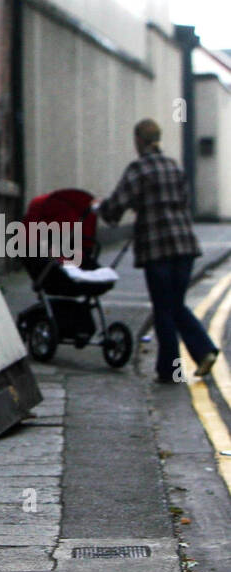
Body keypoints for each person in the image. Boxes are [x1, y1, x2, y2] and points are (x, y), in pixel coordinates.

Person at [97, 118, 217, 383]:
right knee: (174, 304)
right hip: (185, 247)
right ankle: (197, 354)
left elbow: (117, 204)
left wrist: (103, 210)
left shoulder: (139, 169)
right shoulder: (174, 167)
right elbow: (185, 202)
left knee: (164, 307)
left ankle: (173, 369)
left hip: (157, 249)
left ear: (139, 140)